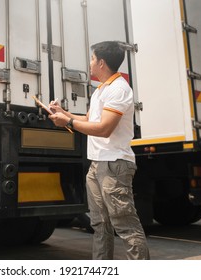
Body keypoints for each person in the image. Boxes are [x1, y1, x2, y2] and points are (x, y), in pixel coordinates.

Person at [49, 41, 150, 260]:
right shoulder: (101, 90)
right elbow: (89, 119)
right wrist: (64, 113)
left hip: (114, 165)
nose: (90, 63)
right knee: (100, 225)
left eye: (92, 59)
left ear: (102, 63)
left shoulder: (119, 90)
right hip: (97, 165)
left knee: (125, 226)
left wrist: (68, 123)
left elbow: (104, 129)